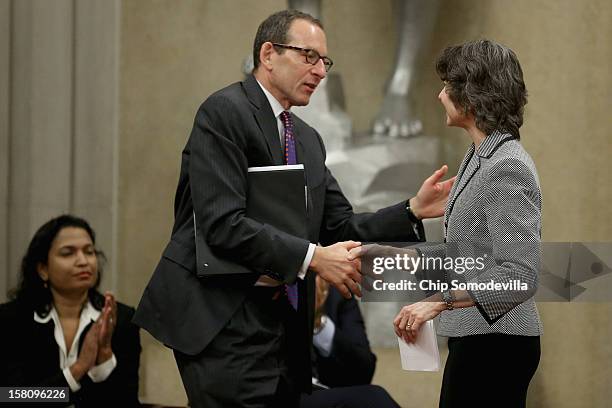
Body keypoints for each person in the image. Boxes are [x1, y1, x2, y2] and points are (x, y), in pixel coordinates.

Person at [133, 9, 453, 408]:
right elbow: (222, 224)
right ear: (269, 54)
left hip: (284, 327)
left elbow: (338, 225)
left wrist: (411, 210)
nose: (320, 71)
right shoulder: (224, 113)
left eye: (325, 61)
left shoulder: (307, 139)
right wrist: (314, 257)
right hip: (223, 320)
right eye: (308, 56)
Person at [351, 39, 542, 408]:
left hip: (498, 346)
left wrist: (438, 302)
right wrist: (397, 256)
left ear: (471, 97)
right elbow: (473, 256)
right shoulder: (480, 155)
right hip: (478, 340)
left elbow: (521, 274)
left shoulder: (507, 166)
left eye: (447, 86)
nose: (439, 95)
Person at [0, 215, 141, 407]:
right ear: (43, 269)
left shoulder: (120, 319)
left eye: (89, 252)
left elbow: (126, 402)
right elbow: (12, 397)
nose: (83, 261)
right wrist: (78, 370)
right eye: (68, 253)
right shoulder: (11, 320)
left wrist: (104, 361)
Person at [300, 276, 400, 408]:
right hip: (282, 392)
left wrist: (319, 325)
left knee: (373, 397)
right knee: (374, 398)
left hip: (328, 389)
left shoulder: (338, 289)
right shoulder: (274, 284)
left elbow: (364, 371)